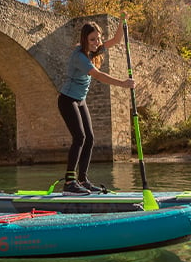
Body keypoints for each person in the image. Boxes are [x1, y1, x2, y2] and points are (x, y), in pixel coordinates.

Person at [57, 16, 135, 195]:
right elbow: (98, 75)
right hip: (67, 100)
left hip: (80, 100)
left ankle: (82, 180)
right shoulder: (79, 56)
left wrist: (123, 23)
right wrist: (123, 83)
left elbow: (115, 41)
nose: (97, 42)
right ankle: (69, 182)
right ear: (85, 39)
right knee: (79, 137)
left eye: (98, 38)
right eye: (92, 39)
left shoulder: (93, 50)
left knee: (90, 138)